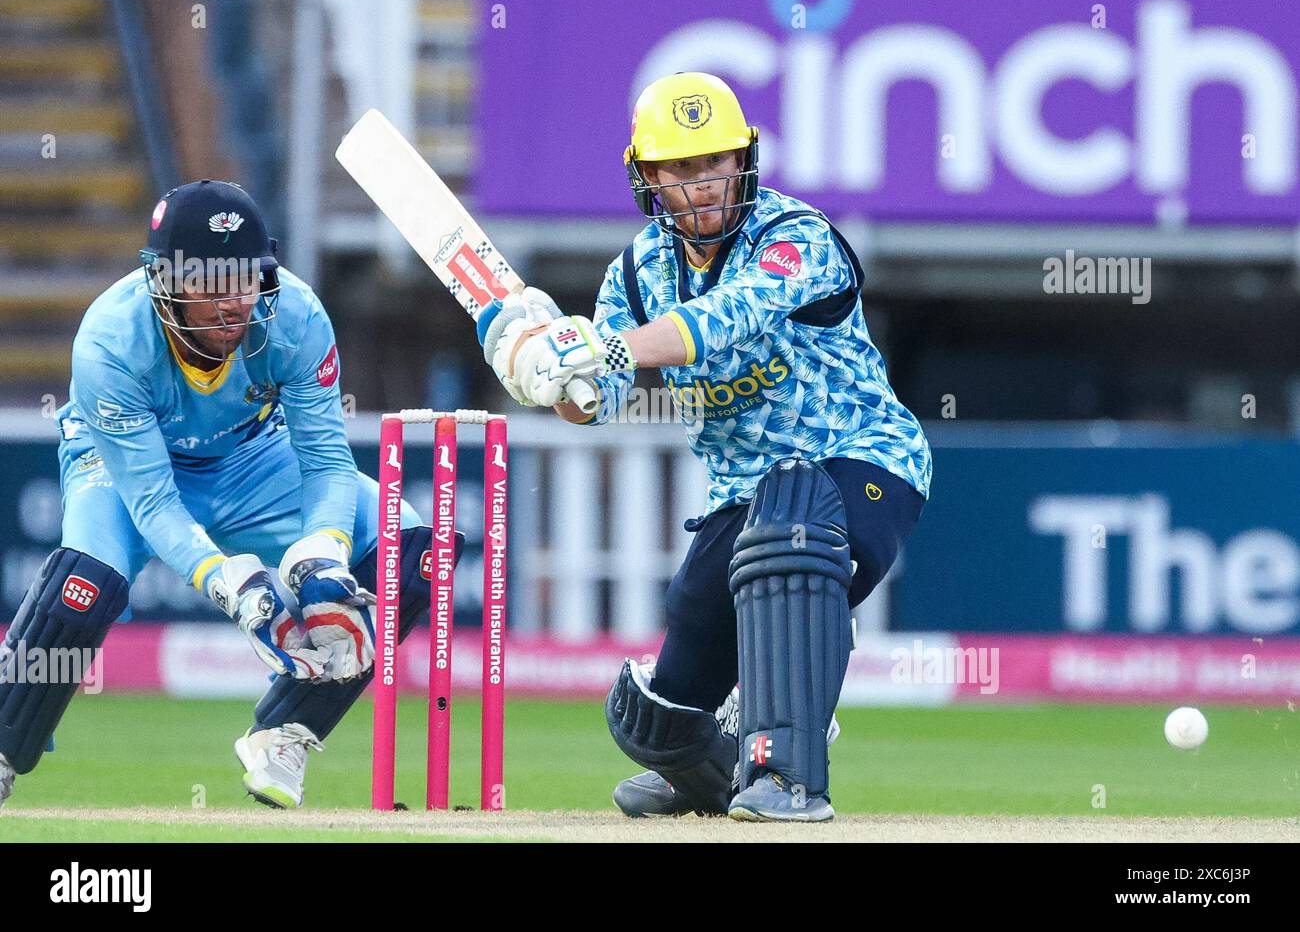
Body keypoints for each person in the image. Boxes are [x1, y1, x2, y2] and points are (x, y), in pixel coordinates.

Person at [481, 72, 932, 822]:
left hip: (864, 458)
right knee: (664, 714)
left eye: (718, 162)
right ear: (649, 176)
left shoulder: (796, 237)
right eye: (684, 169)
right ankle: (716, 766)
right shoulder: (633, 271)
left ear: (744, 160)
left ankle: (787, 768)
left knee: (796, 533)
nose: (705, 184)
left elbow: (727, 317)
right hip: (741, 496)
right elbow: (600, 404)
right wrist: (550, 375)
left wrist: (605, 348)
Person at [0, 180, 453, 811]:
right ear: (163, 281)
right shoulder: (108, 340)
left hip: (250, 458)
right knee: (85, 585)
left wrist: (323, 551)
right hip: (124, 466)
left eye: (241, 281)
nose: (228, 305)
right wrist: (230, 584)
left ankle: (285, 731)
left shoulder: (294, 314)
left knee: (410, 546)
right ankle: (2, 744)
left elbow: (323, 457)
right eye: (207, 286)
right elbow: (153, 499)